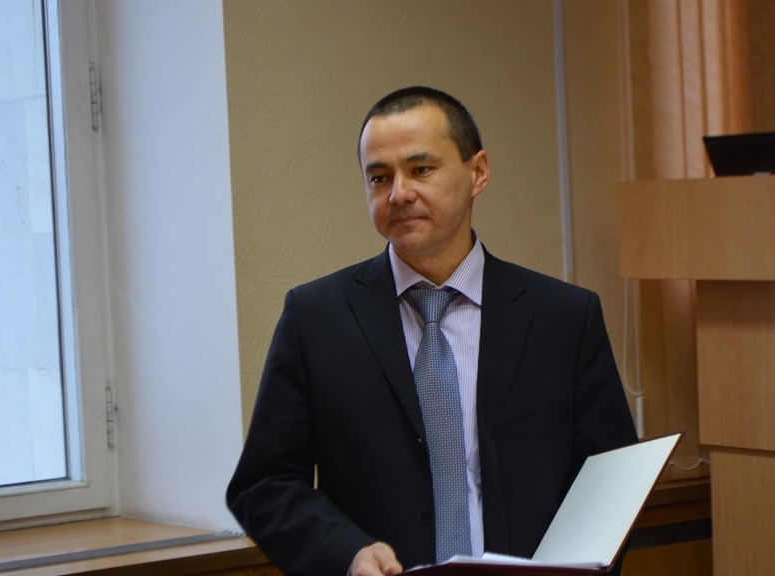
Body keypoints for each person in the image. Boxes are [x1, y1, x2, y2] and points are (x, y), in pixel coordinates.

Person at [226, 86, 637, 576]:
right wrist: (347, 553)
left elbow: (611, 484)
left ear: (477, 172)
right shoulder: (315, 319)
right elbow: (265, 486)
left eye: (421, 169)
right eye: (379, 177)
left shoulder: (563, 317)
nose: (399, 193)